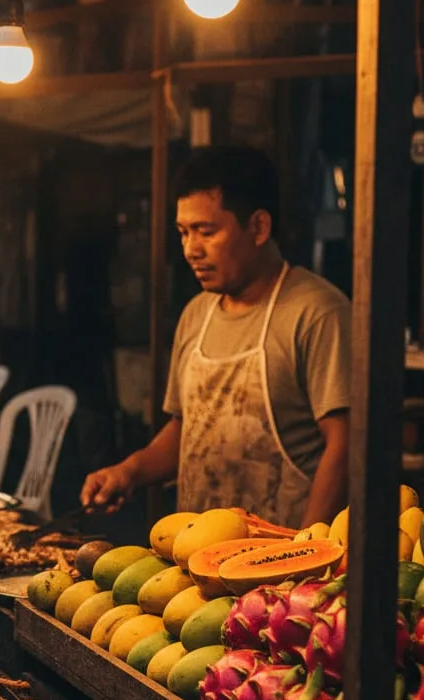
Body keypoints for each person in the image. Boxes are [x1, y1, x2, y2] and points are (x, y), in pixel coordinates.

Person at [81, 146, 351, 529]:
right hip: (197, 564)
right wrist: (129, 471)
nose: (191, 249)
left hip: (283, 568)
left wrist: (309, 551)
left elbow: (345, 446)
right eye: (183, 233)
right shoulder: (197, 315)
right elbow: (188, 433)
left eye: (206, 232)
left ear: (258, 227)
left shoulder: (317, 313)